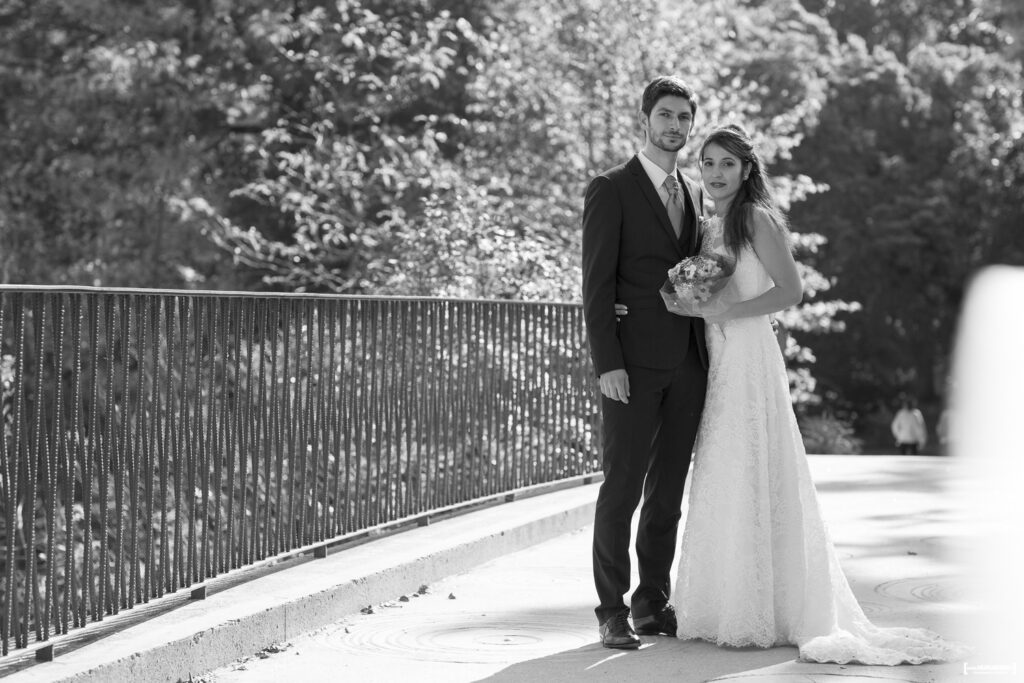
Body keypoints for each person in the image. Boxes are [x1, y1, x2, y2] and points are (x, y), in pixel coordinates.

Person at [665, 123, 969, 663]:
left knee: (758, 462)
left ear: (747, 169)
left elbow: (792, 290)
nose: (715, 173)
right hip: (719, 354)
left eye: (727, 164)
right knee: (726, 466)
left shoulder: (755, 218)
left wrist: (729, 311)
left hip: (750, 353)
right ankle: (726, 603)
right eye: (708, 163)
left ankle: (771, 606)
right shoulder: (710, 223)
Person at [581, 75, 708, 649]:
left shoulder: (696, 191)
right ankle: (610, 609)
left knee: (667, 494)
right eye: (665, 114)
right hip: (630, 368)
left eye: (683, 116)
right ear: (646, 118)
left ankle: (651, 603)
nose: (675, 126)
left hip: (688, 364)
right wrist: (608, 362)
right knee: (623, 488)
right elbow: (596, 284)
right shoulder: (611, 188)